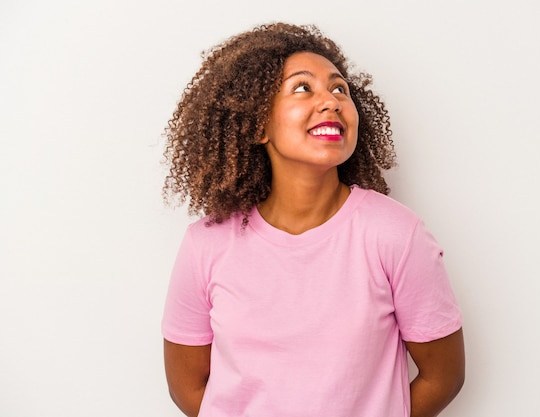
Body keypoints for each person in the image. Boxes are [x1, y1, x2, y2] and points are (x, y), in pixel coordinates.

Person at [161, 22, 465, 417]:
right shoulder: (206, 245)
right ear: (257, 124)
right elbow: (187, 387)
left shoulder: (395, 235)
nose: (332, 101)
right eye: (303, 88)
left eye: (340, 89)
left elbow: (443, 376)